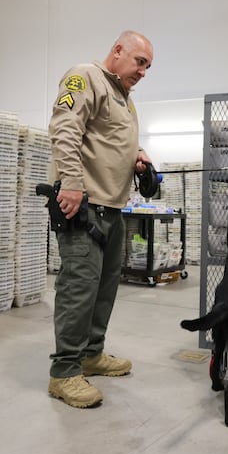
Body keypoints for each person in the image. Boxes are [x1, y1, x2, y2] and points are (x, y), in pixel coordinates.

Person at [47, 30, 154, 408]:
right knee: (80, 288)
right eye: (139, 62)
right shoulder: (85, 76)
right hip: (84, 205)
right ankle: (64, 372)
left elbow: (110, 139)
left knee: (104, 288)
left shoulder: (125, 98)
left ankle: (91, 354)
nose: (143, 71)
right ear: (118, 50)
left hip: (113, 207)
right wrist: (72, 182)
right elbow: (65, 126)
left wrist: (138, 154)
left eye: (148, 67)